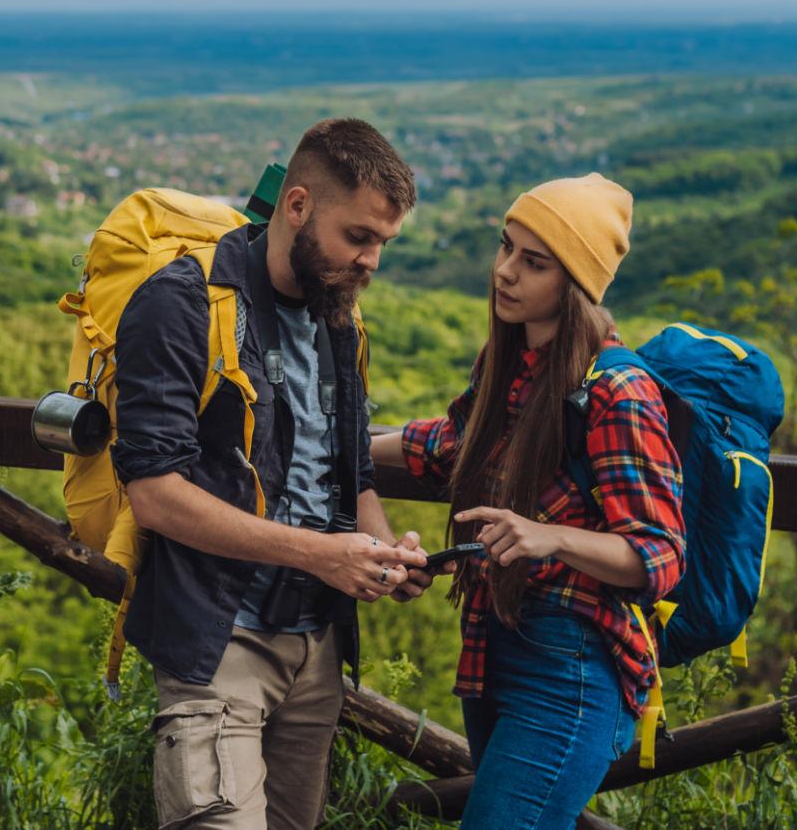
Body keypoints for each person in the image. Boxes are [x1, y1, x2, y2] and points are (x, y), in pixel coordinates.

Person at [112, 118, 434, 829]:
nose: (372, 262)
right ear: (297, 207)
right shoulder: (181, 304)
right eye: (359, 237)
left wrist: (382, 553)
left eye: (383, 243)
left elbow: (351, 470)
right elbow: (156, 494)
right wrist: (326, 554)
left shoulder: (339, 318)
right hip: (218, 642)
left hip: (314, 653)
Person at [371, 175, 684, 828]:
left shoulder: (619, 393)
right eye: (506, 248)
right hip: (492, 647)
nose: (505, 273)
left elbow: (660, 553)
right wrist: (351, 441)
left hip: (569, 671)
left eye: (533, 262)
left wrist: (551, 536)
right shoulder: (510, 361)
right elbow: (459, 442)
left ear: (577, 282)